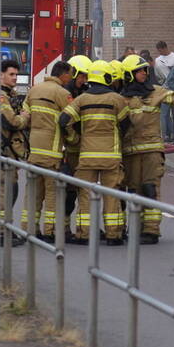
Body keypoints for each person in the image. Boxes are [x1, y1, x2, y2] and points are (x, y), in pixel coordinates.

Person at [121, 54, 174, 244]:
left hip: (152, 152)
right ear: (129, 74)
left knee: (151, 188)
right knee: (134, 192)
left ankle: (151, 231)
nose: (145, 73)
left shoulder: (157, 91)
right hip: (130, 153)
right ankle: (135, 230)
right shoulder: (121, 98)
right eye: (140, 71)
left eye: (145, 69)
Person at [58, 60, 130, 246]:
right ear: (106, 77)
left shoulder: (82, 99)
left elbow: (63, 120)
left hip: (87, 155)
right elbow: (126, 124)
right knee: (111, 195)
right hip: (111, 156)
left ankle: (84, 234)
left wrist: (75, 138)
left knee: (85, 195)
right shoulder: (117, 99)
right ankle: (113, 235)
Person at [24, 61, 75, 242]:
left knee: (33, 193)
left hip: (34, 150)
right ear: (62, 74)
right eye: (70, 74)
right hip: (52, 152)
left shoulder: (34, 90)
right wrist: (73, 140)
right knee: (52, 194)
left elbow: (25, 118)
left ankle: (28, 228)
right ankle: (50, 230)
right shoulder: (62, 93)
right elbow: (70, 120)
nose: (71, 78)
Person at [61, 55, 92, 235]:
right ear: (74, 74)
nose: (84, 80)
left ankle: (79, 228)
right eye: (82, 76)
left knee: (81, 190)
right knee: (69, 192)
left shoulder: (81, 92)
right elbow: (64, 122)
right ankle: (64, 227)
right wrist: (74, 139)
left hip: (81, 149)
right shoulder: (67, 94)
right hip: (69, 149)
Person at [0, 59, 30, 245]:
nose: (15, 78)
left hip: (9, 153)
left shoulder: (10, 95)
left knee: (11, 191)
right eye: (11, 74)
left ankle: (5, 228)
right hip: (3, 152)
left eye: (16, 74)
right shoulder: (2, 97)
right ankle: (2, 232)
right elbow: (12, 122)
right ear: (1, 75)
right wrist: (24, 117)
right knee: (5, 193)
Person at [153, 42, 174, 142]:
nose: (160, 52)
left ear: (165, 48)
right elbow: (157, 75)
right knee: (164, 113)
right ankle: (166, 134)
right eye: (159, 51)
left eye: (161, 50)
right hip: (165, 90)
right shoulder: (158, 60)